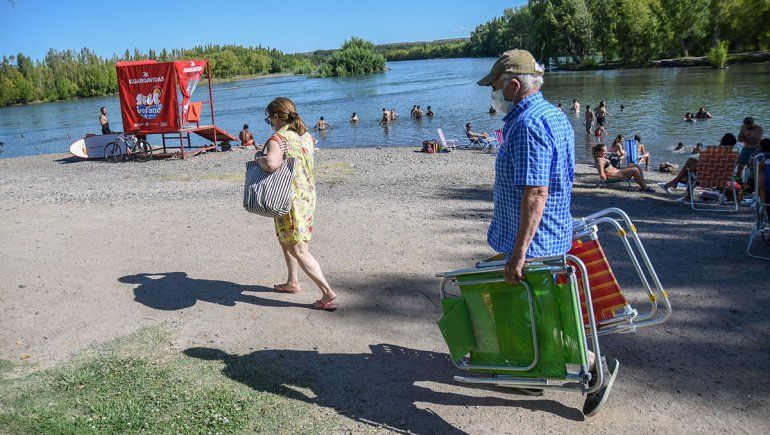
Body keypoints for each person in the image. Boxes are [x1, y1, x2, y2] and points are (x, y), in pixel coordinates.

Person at [477, 49, 618, 414]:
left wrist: (519, 252)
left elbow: (537, 193)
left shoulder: (528, 125)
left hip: (534, 240)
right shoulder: (551, 115)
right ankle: (533, 373)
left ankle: (594, 367)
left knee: (543, 312)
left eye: (495, 86)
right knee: (529, 309)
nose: (493, 93)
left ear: (512, 85)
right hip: (546, 232)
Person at [258, 97, 337, 311]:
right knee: (287, 241)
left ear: (276, 117)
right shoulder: (306, 136)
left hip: (288, 199)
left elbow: (272, 164)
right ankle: (292, 282)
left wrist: (259, 159)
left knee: (299, 249)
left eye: (269, 119)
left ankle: (327, 293)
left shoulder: (278, 139)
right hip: (307, 196)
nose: (270, 123)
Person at [659, 133, 738, 196]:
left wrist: (690, 169)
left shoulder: (712, 152)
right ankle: (675, 183)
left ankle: (685, 193)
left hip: (703, 180)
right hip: (722, 181)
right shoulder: (734, 156)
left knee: (690, 167)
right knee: (692, 164)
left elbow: (698, 165)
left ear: (722, 140)